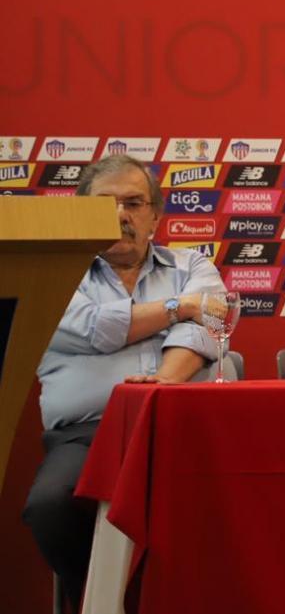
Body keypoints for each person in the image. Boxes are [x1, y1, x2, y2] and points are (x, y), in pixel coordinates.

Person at [24, 155, 228, 608]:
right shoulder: (54, 275)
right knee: (49, 507)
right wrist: (179, 308)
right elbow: (96, 328)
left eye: (134, 203)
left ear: (155, 214)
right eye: (107, 204)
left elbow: (204, 330)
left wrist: (155, 387)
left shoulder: (194, 268)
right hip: (86, 436)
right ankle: (103, 598)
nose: (121, 215)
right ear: (81, 213)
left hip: (179, 426)